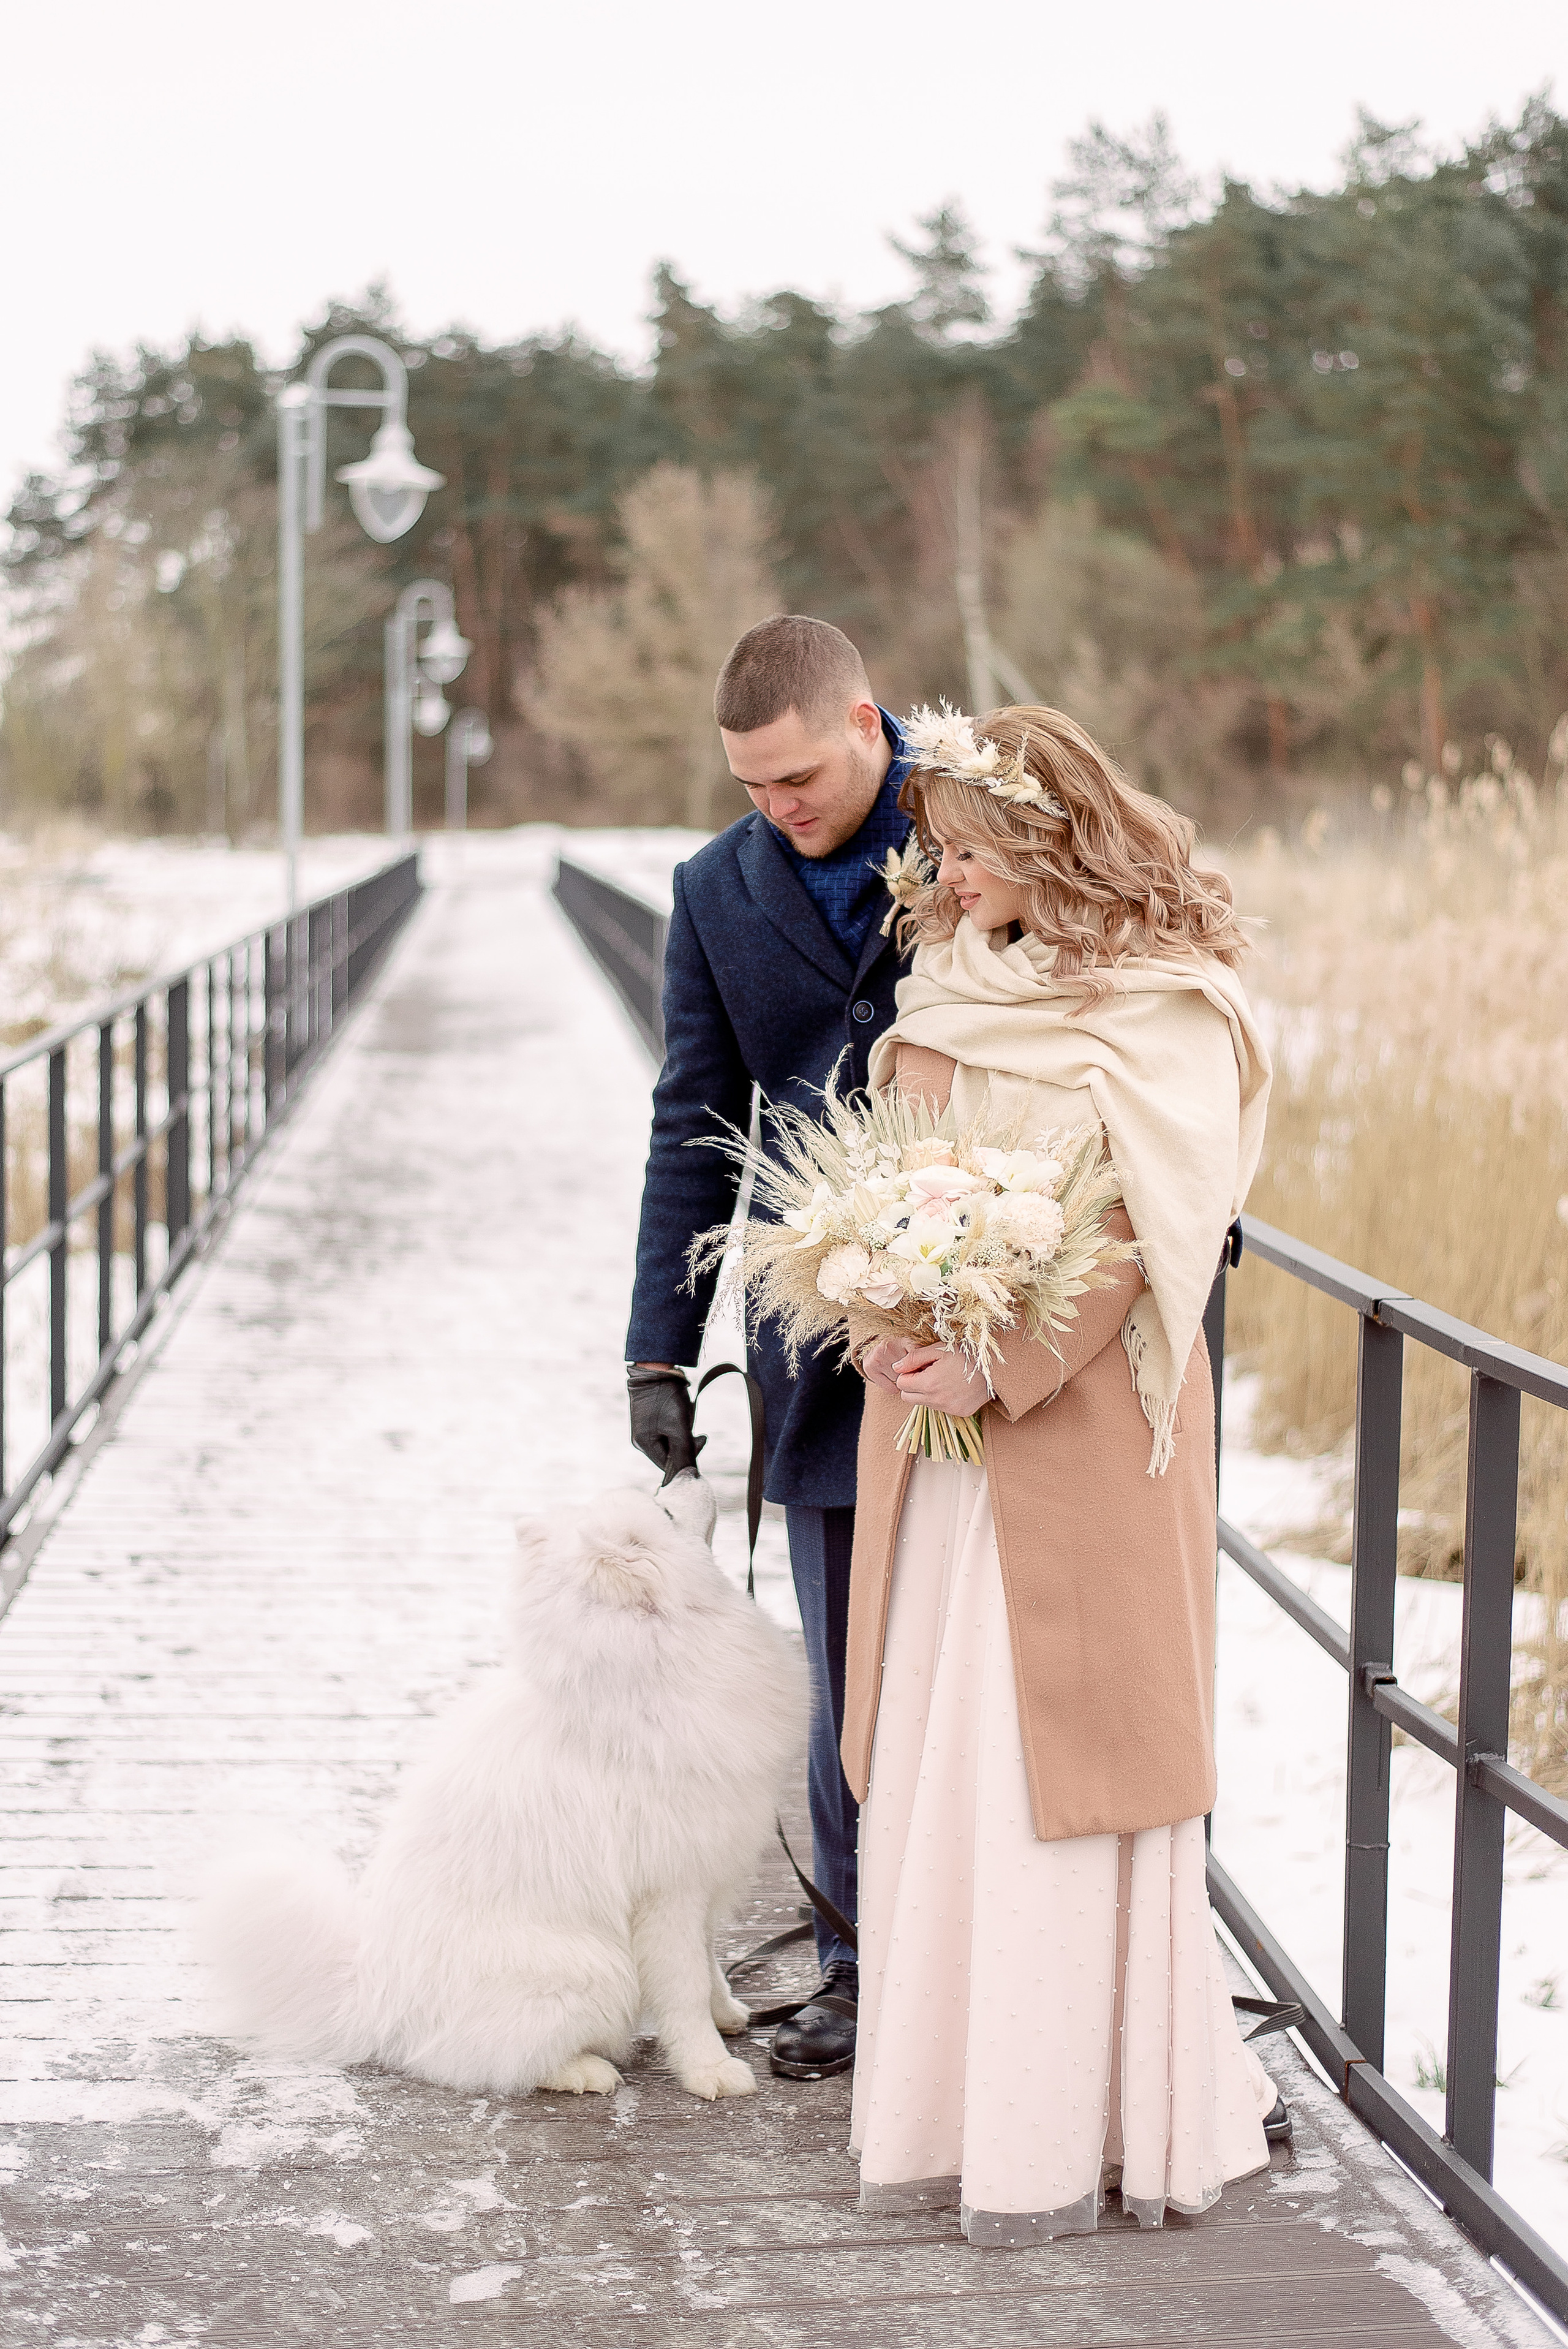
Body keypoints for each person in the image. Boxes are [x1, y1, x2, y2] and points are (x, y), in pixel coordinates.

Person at [843, 702, 1285, 2244]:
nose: (947, 878)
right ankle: (951, 2113)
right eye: (937, 851)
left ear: (1047, 837)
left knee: (1065, 1768)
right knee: (946, 1747)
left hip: (1085, 1436)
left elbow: (1147, 1227)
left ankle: (1078, 2125)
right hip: (934, 1446)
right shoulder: (947, 985)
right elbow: (884, 1181)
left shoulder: (1168, 1006)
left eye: (970, 850)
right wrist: (878, 1302)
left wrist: (1004, 1361)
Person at [626, 614, 912, 2079]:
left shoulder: (990, 826)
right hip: (818, 1342)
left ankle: (1009, 1961)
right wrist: (654, 1355)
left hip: (1010, 1322)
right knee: (848, 1666)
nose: (777, 808)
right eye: (750, 788)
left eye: (798, 778)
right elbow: (693, 1120)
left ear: (867, 721)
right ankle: (858, 1963)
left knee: (997, 1661)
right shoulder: (711, 889)